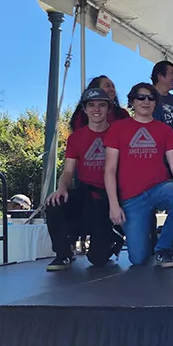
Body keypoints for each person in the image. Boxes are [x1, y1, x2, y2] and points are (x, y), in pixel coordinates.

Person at [104, 83, 173, 268]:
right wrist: (114, 205)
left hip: (158, 189)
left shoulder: (165, 130)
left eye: (151, 98)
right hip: (131, 198)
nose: (146, 101)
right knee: (138, 259)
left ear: (156, 103)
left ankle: (163, 250)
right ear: (132, 102)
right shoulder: (117, 128)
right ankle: (126, 231)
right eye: (141, 97)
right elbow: (110, 169)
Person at [46, 88, 123, 271]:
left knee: (98, 260)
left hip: (111, 195)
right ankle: (63, 254)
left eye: (101, 105)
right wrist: (61, 188)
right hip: (86, 192)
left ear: (108, 108)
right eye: (91, 105)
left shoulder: (119, 133)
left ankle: (114, 237)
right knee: (54, 203)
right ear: (85, 109)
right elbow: (68, 171)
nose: (96, 109)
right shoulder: (75, 138)